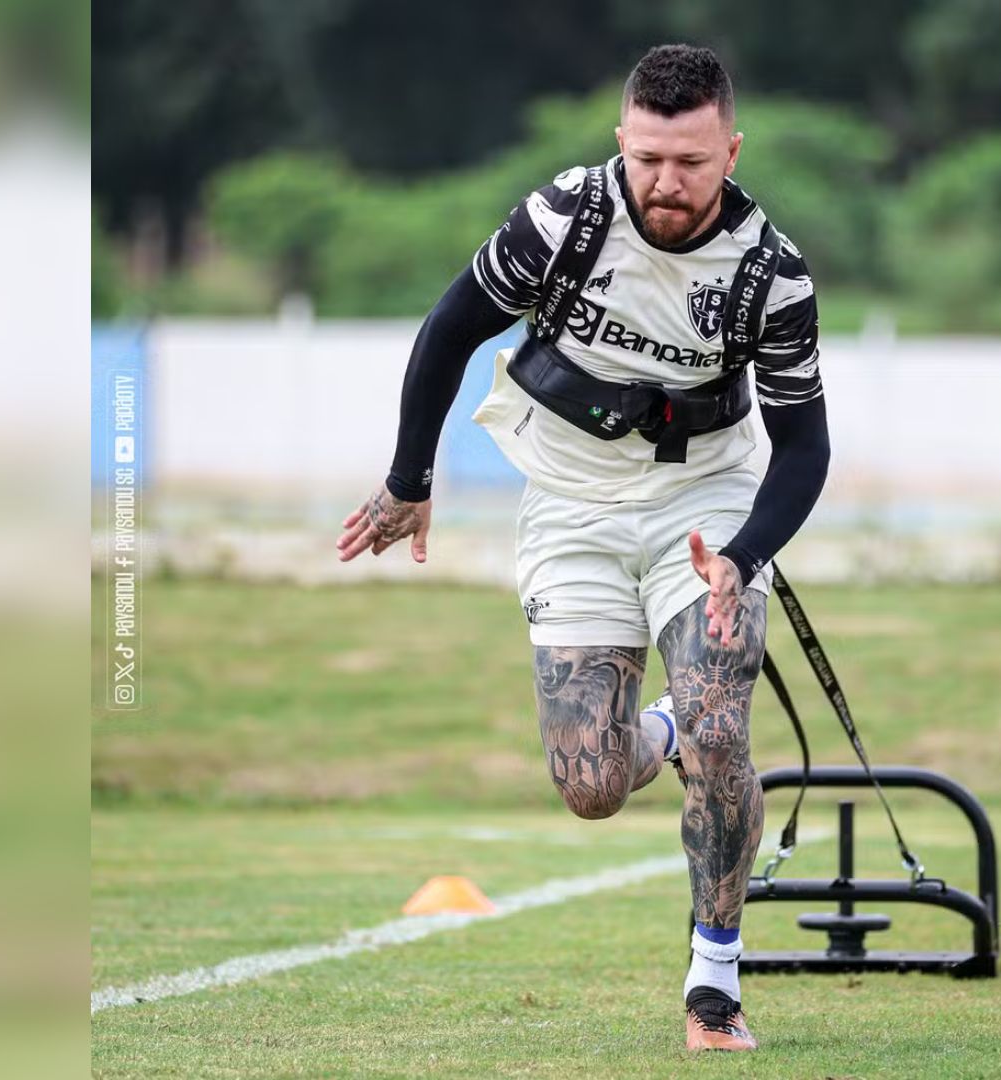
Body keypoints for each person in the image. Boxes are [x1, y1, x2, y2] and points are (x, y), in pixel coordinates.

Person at [334, 44, 828, 1053]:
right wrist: (409, 477)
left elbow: (805, 447)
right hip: (570, 498)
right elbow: (449, 328)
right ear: (622, 142)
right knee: (591, 784)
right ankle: (669, 727)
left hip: (707, 500)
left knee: (722, 726)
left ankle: (714, 984)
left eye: (691, 161)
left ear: (730, 150)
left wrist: (743, 551)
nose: (667, 182)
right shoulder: (566, 218)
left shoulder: (772, 275)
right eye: (648, 156)